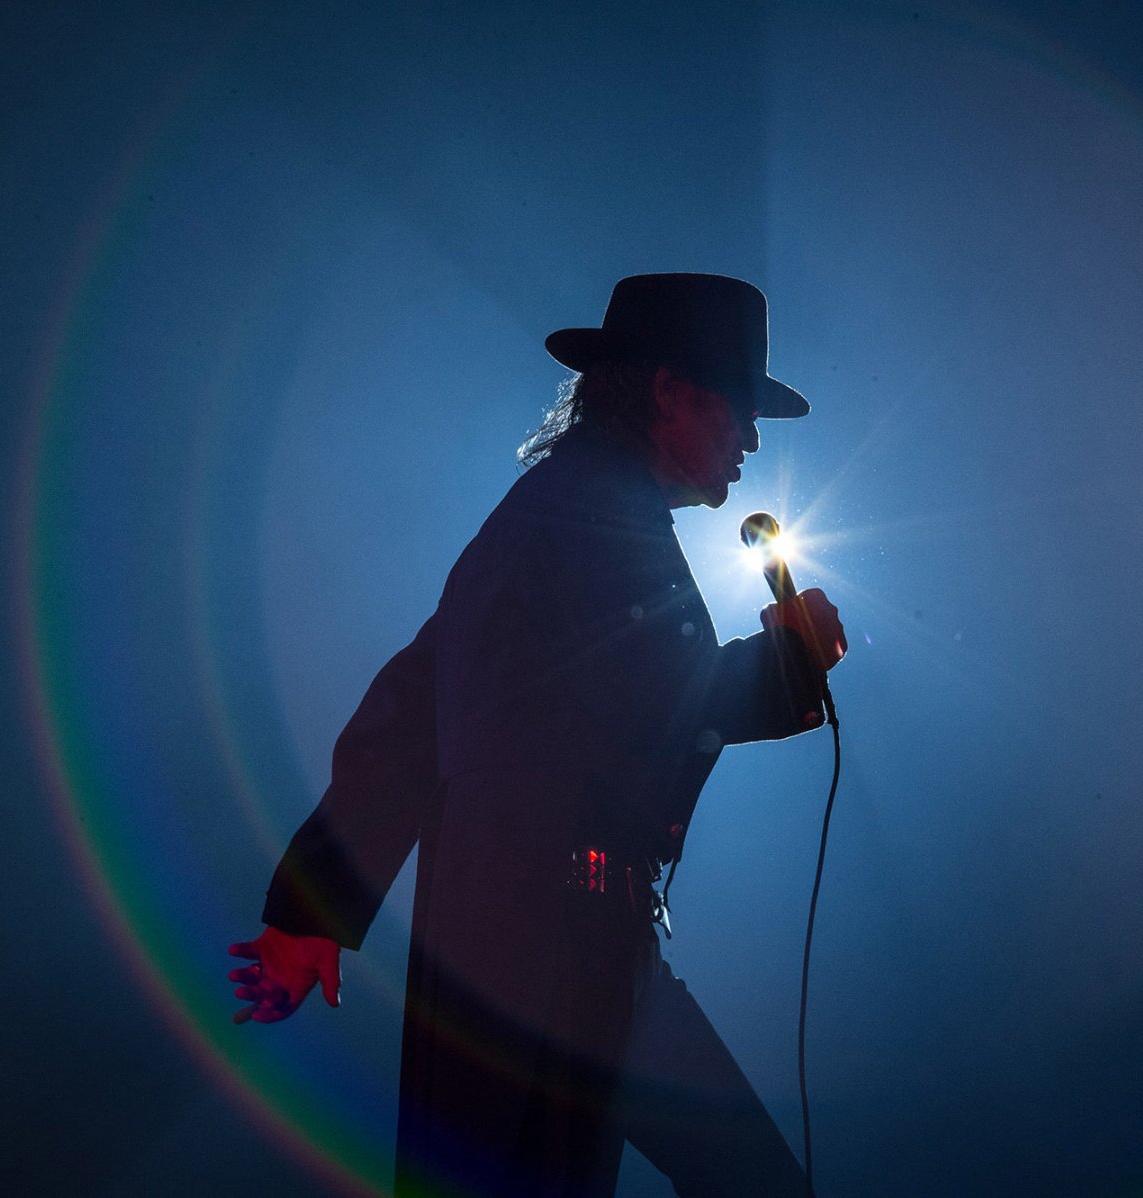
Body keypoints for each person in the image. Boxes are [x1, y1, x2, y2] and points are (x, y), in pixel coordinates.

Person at [226, 273, 847, 1196]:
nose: (752, 440)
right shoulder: (585, 514)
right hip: (536, 946)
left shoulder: (575, 510)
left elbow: (410, 712)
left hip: (571, 937)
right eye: (738, 410)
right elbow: (665, 702)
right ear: (669, 391)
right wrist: (793, 662)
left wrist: (311, 912)